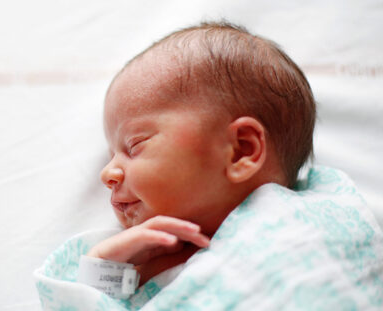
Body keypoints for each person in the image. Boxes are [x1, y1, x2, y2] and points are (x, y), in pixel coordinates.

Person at [35, 22, 383, 310]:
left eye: (134, 146)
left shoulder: (317, 220)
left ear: (240, 150)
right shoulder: (147, 270)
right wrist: (100, 271)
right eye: (111, 154)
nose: (107, 173)